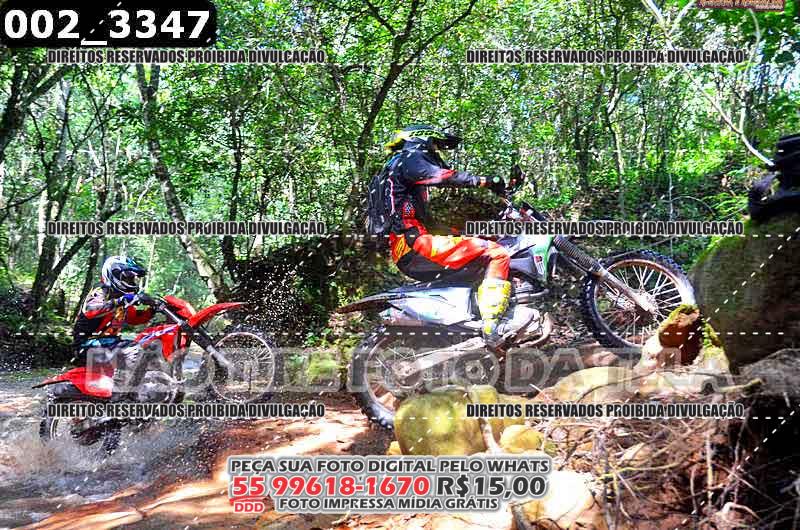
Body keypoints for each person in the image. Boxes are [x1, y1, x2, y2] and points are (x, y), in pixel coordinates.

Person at [378, 124, 529, 348]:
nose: (436, 151)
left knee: (483, 248)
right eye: (434, 145)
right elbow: (443, 176)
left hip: (409, 244)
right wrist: (486, 181)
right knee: (497, 254)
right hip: (417, 244)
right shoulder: (408, 158)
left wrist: (466, 234)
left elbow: (428, 222)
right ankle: (492, 326)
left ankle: (473, 323)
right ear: (420, 140)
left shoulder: (397, 174)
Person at [72, 255, 154, 390]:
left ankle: (137, 389)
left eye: (132, 278)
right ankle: (121, 391)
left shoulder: (121, 298)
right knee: (134, 350)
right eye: (128, 278)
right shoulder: (101, 291)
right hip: (86, 345)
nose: (132, 281)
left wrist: (152, 309)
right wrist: (121, 301)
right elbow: (91, 310)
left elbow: (134, 319)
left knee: (147, 346)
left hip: (108, 344)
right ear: (114, 275)